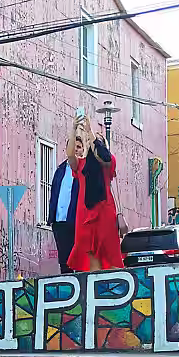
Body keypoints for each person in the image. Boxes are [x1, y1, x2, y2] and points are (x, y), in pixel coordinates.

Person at [66, 115, 125, 273]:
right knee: (90, 257)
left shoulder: (108, 162)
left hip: (105, 211)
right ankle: (95, 293)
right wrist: (74, 128)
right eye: (90, 142)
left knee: (110, 254)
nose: (92, 143)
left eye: (96, 141)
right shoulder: (82, 165)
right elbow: (71, 155)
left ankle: (113, 287)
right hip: (85, 215)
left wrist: (91, 133)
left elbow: (101, 154)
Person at [47, 143, 80, 274]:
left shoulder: (82, 169)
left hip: (75, 220)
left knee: (76, 259)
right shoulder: (60, 169)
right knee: (64, 261)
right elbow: (54, 193)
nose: (76, 149)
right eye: (74, 146)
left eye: (79, 147)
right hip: (59, 220)